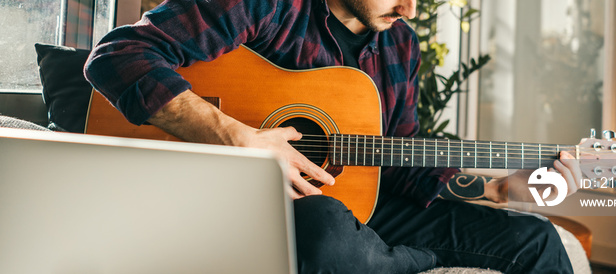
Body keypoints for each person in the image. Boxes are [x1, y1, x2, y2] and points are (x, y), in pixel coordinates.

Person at [84, 0, 582, 272]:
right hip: (243, 199)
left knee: (534, 237)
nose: (409, 9)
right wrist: (241, 139)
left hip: (349, 201)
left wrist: (494, 189)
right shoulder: (265, 5)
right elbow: (116, 56)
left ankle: (389, 258)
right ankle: (406, 260)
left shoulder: (400, 44)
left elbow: (401, 157)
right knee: (329, 235)